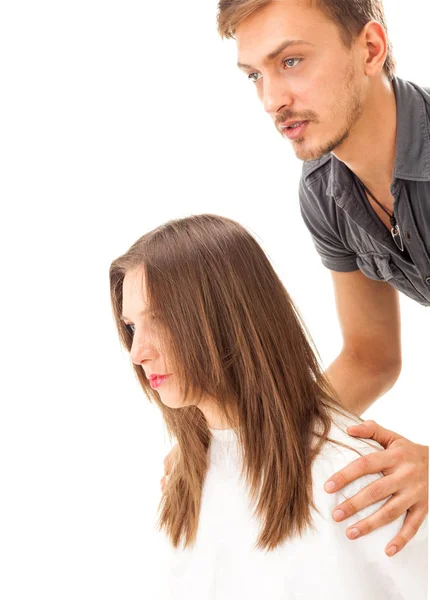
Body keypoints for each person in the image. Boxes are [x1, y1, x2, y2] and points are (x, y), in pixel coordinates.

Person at [162, 0, 429, 559]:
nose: (270, 101)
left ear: (371, 50)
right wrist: (244, 439)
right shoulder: (324, 189)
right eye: (255, 74)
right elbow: (371, 356)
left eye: (291, 62)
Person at [109, 214, 427, 600]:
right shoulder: (184, 480)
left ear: (225, 316)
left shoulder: (353, 477)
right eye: (131, 327)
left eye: (159, 319)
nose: (137, 353)